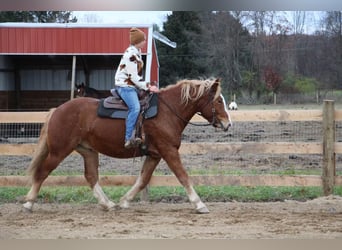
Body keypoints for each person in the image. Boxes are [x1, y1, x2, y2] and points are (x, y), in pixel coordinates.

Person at [113, 27, 159, 149]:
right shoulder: (131, 54)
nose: (145, 42)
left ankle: (140, 133)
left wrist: (147, 84)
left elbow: (137, 76)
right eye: (143, 40)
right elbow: (133, 76)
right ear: (138, 41)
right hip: (125, 86)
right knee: (135, 107)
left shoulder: (136, 52)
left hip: (132, 85)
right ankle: (128, 138)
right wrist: (148, 86)